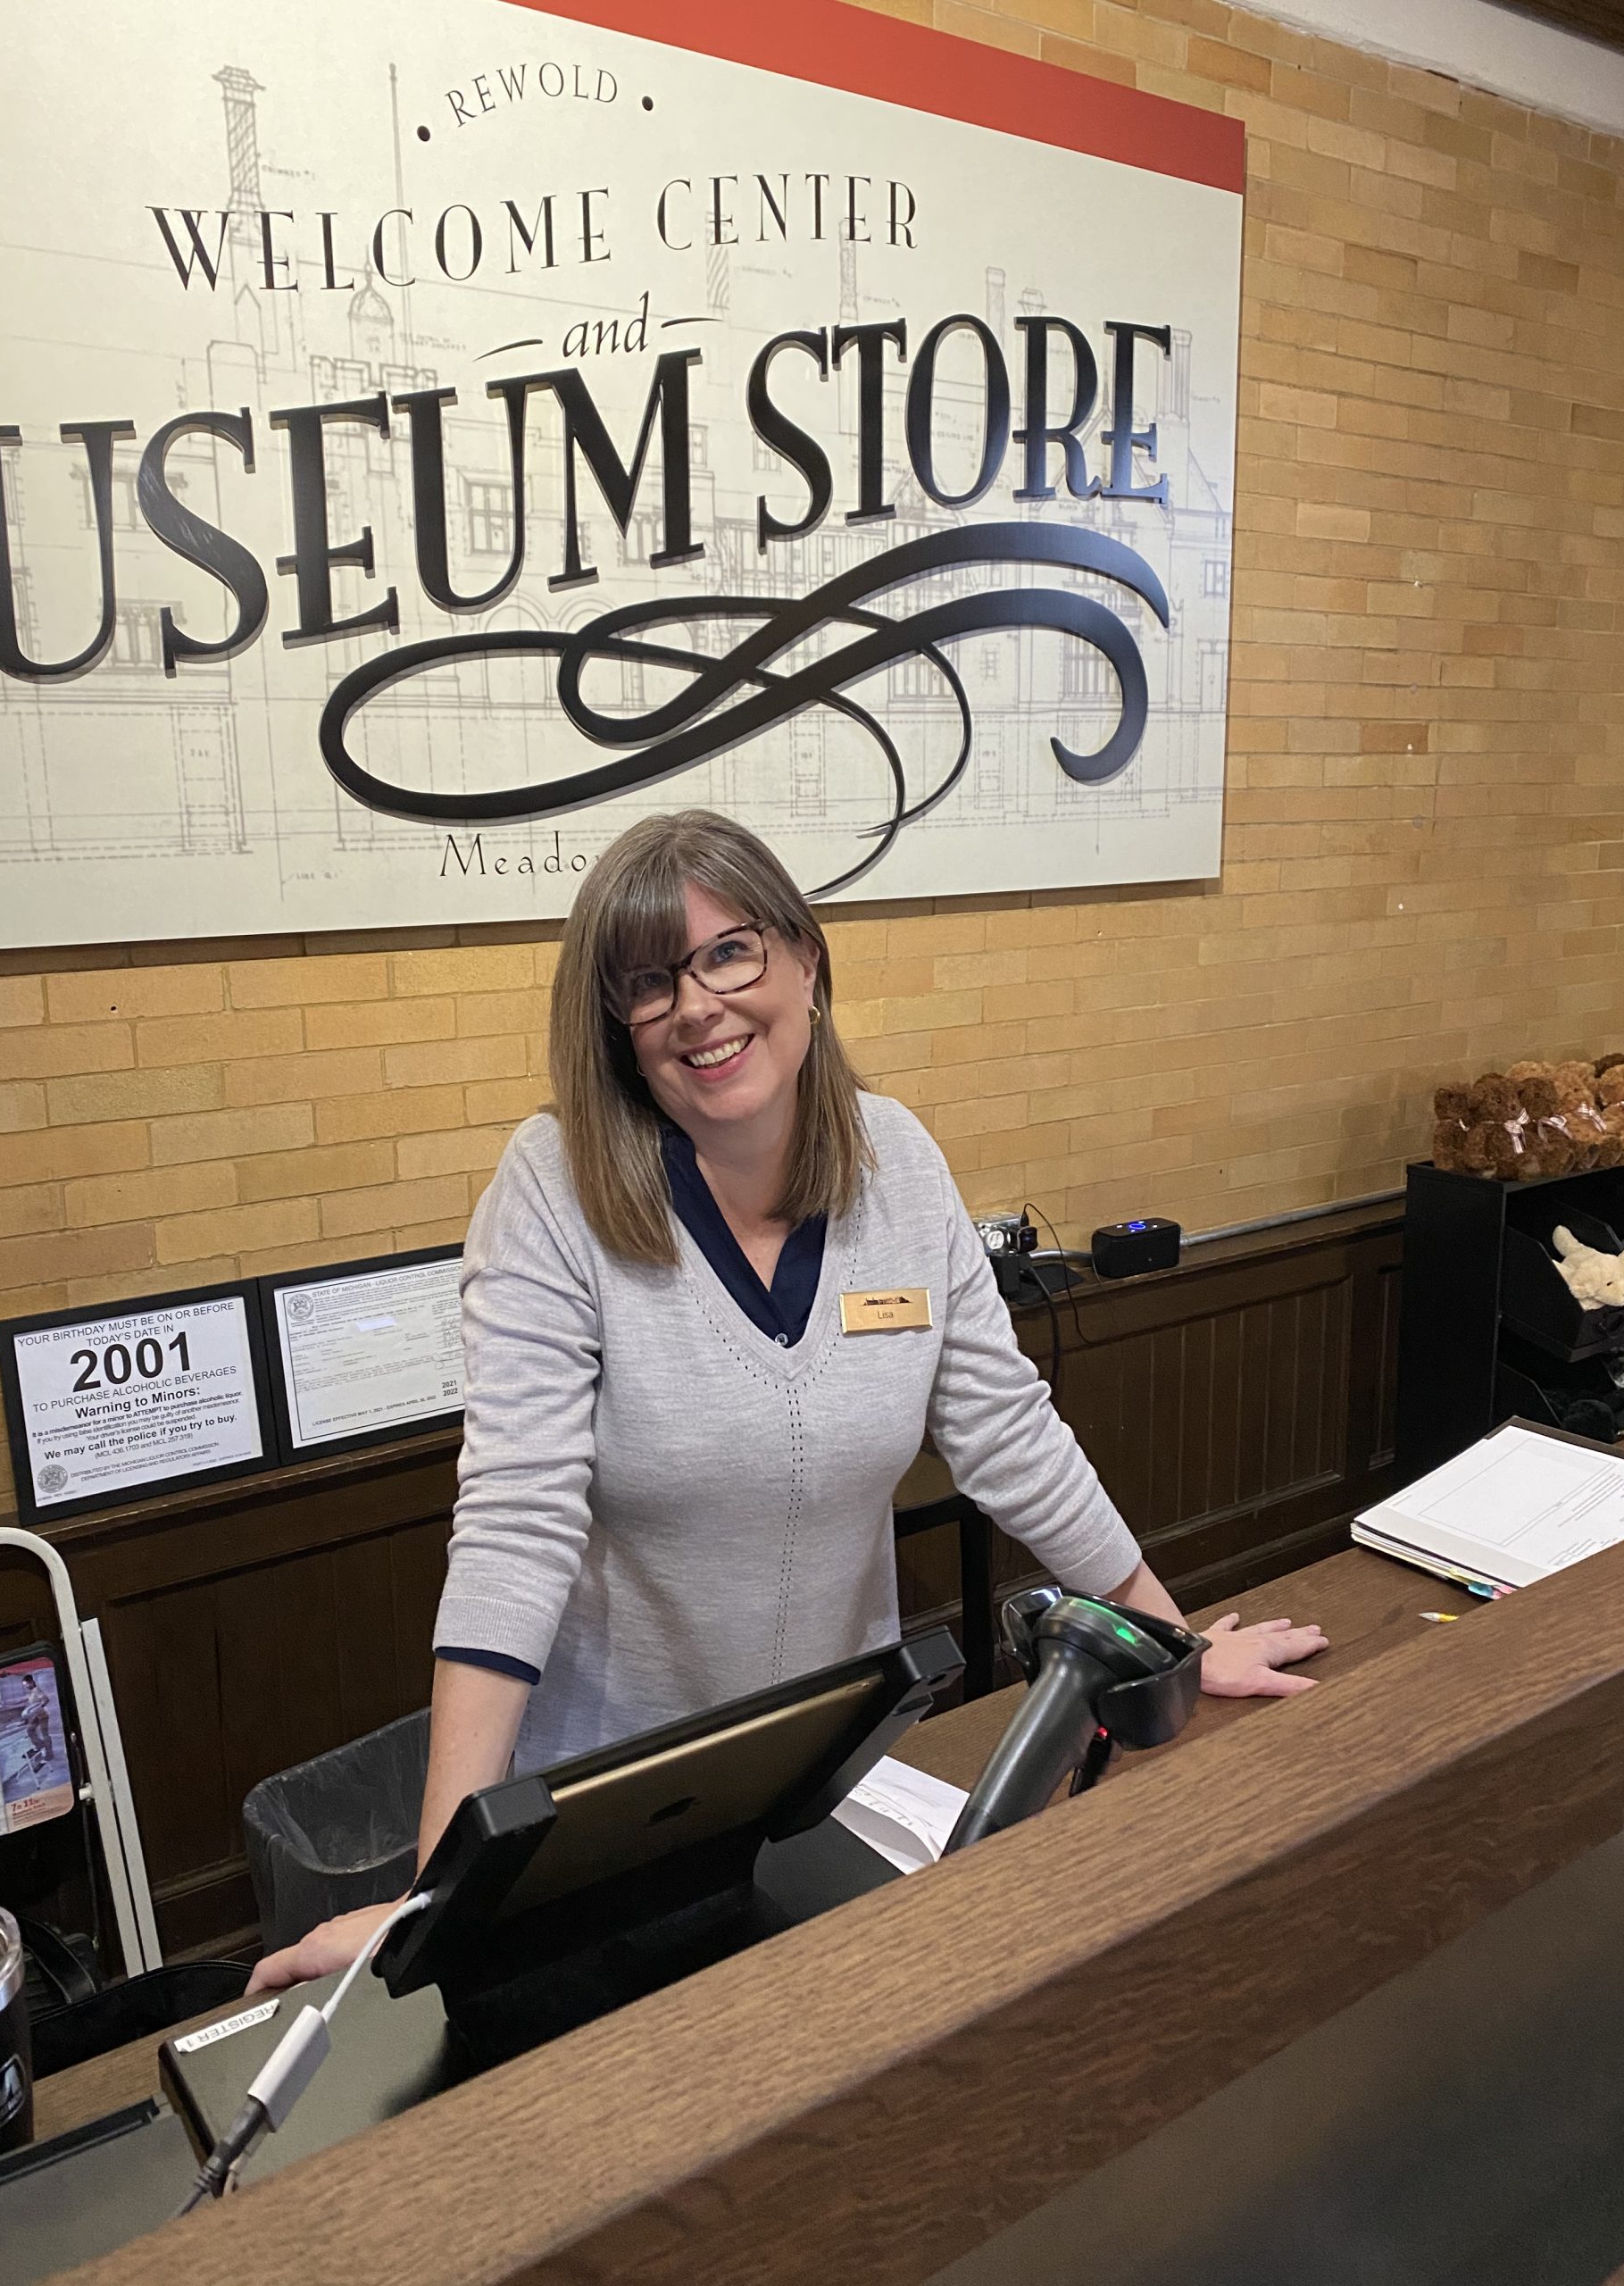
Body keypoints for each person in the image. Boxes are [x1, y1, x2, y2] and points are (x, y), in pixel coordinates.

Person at [248, 811, 1324, 1991]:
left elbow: (1007, 1433)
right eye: (649, 982)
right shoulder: (553, 1190)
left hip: (831, 1774)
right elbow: (515, 1523)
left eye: (730, 953)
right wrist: (432, 1897)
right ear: (618, 1026)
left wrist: (1162, 1645)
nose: (697, 1006)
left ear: (807, 961)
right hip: (609, 1810)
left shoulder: (897, 1163)